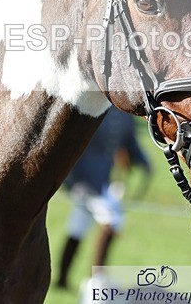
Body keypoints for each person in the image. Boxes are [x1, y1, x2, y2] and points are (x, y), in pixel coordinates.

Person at [55, 106, 150, 291]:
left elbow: (130, 142)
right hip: (82, 181)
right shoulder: (90, 109)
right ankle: (97, 280)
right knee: (111, 221)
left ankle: (61, 279)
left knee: (78, 228)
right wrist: (73, 181)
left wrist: (146, 164)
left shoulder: (123, 113)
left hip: (103, 181)